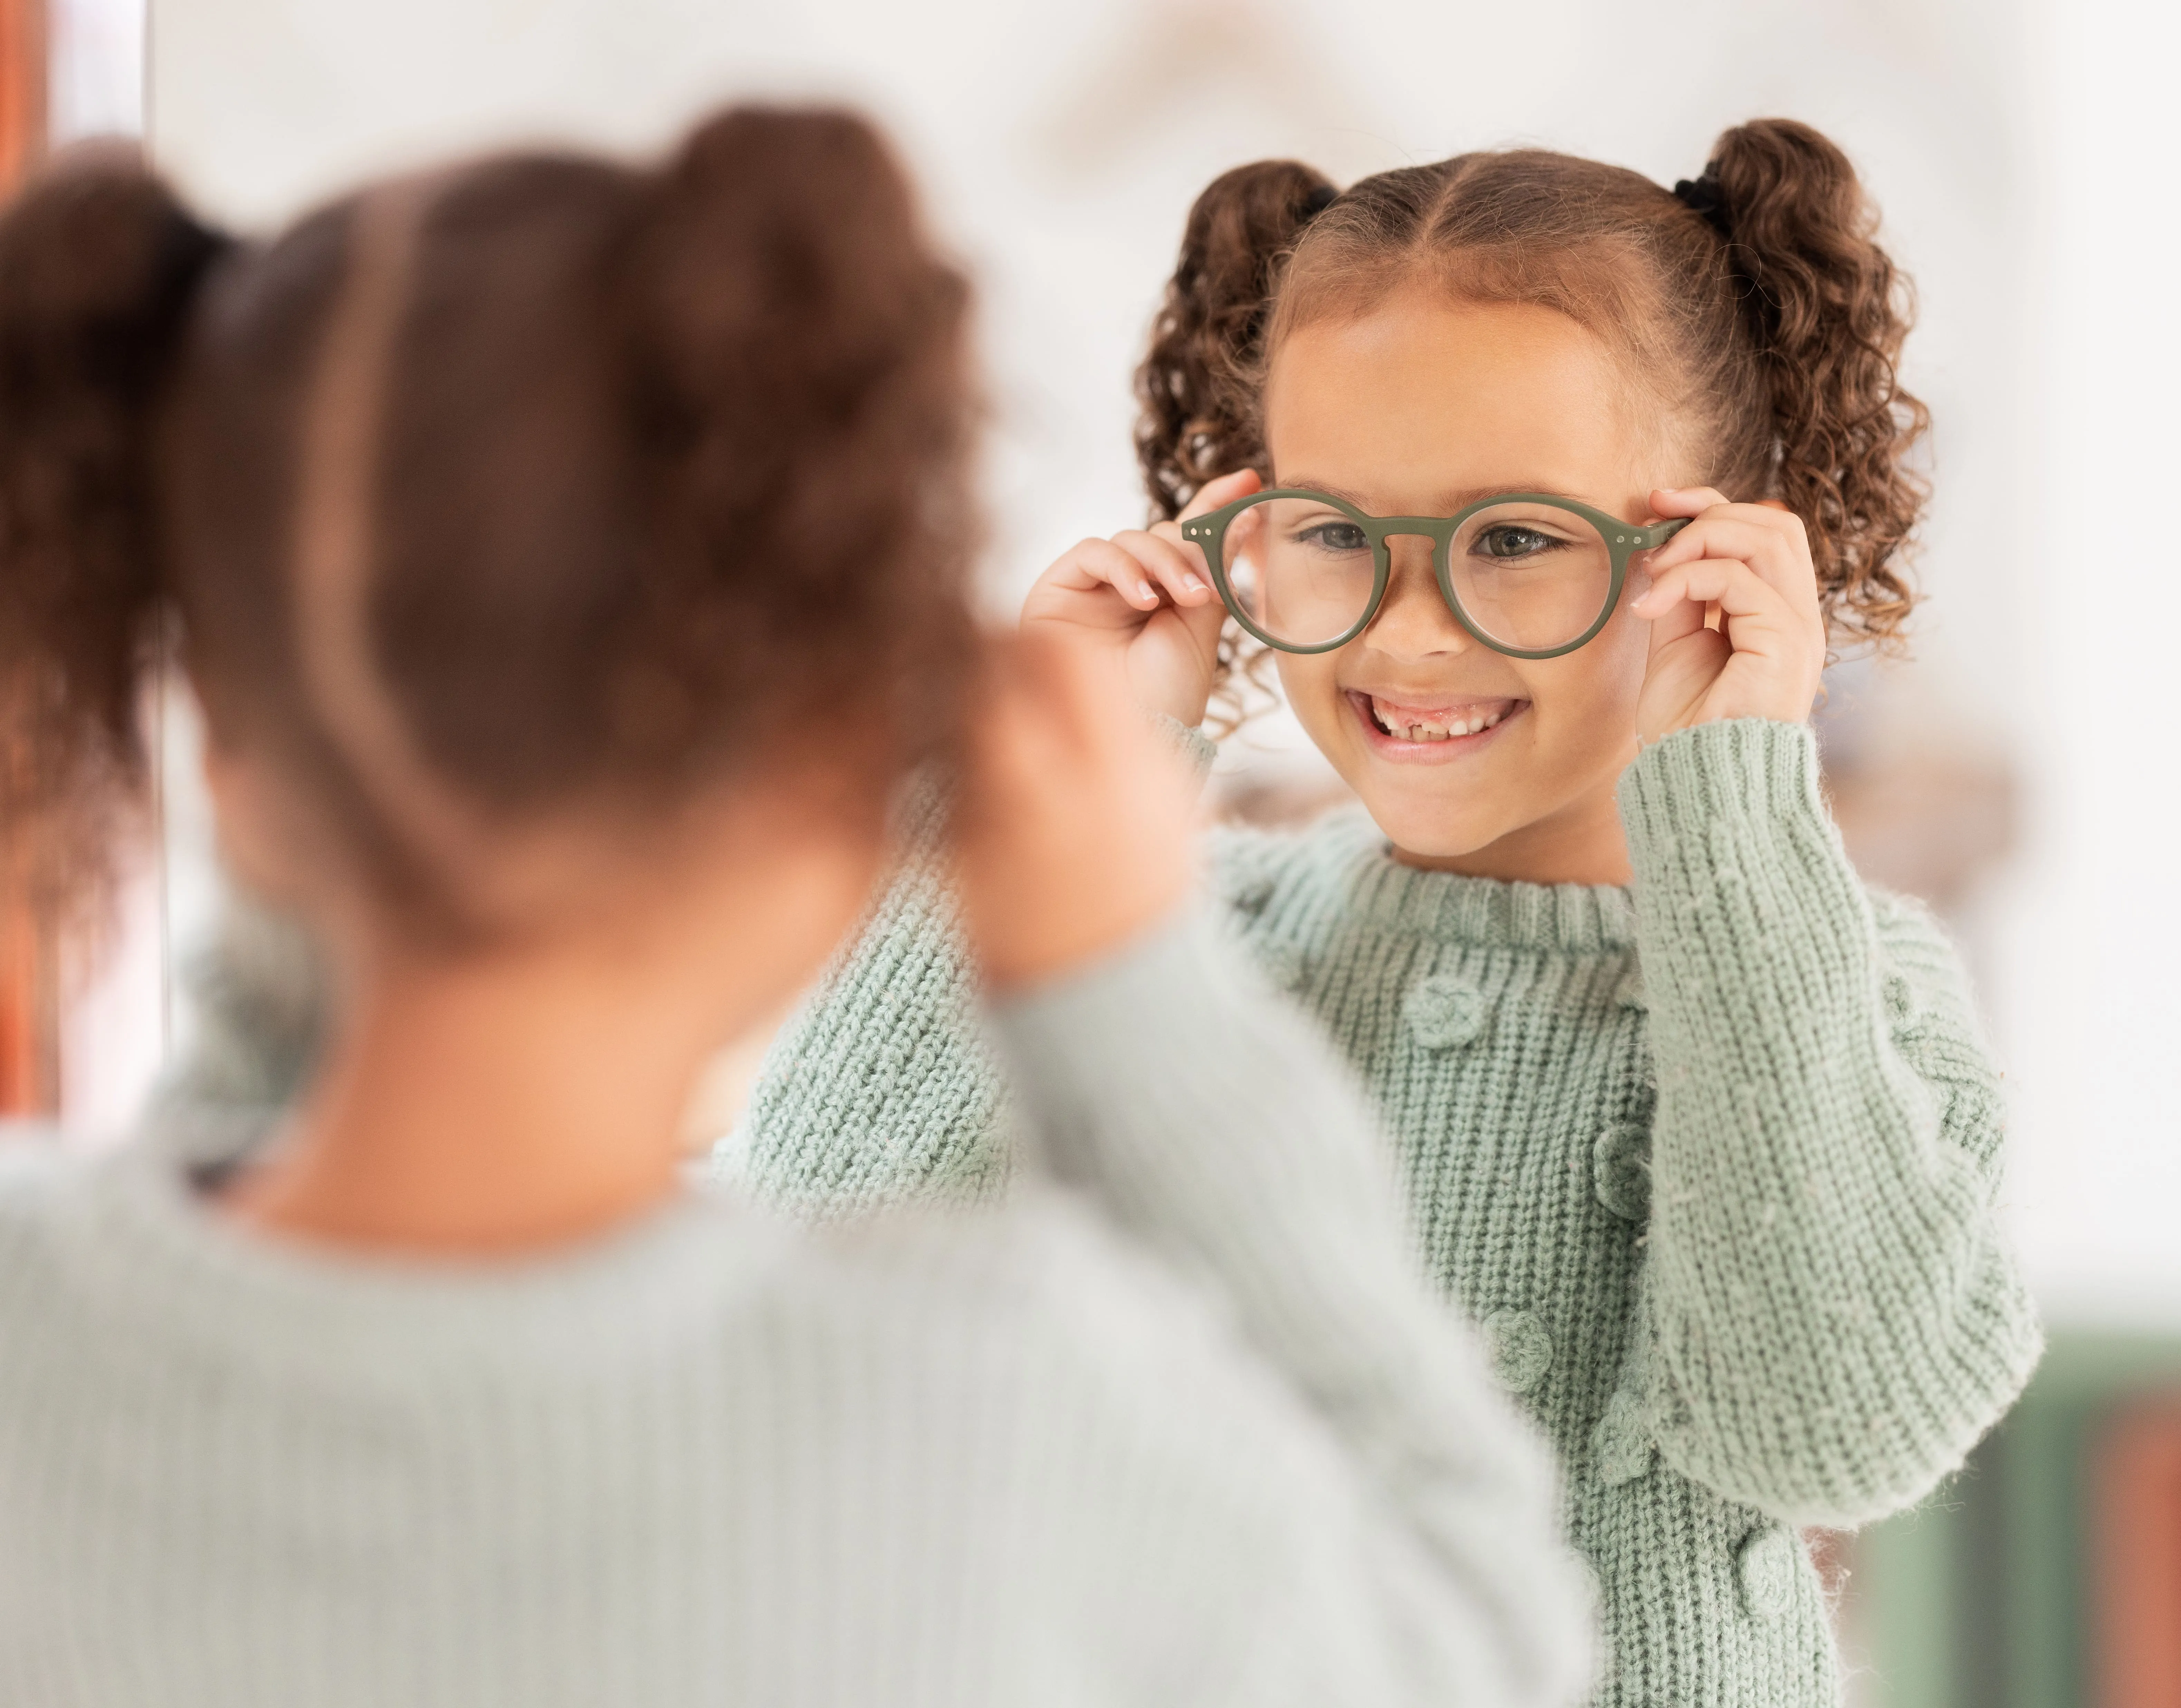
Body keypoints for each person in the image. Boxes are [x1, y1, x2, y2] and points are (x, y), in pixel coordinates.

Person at [0, 114, 1597, 1707]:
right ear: (840, 757)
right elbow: (1472, 1639)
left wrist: (348, 785)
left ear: (219, 738)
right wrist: (1127, 987)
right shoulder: (1009, 1415)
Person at [725, 124, 2045, 1706]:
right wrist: (1051, 790)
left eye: (1516, 540)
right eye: (1339, 532)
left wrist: (1736, 815)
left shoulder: (1845, 989)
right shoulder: (1174, 937)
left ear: (1717, 552)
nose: (1408, 638)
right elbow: (819, 1250)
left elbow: (1836, 1431)